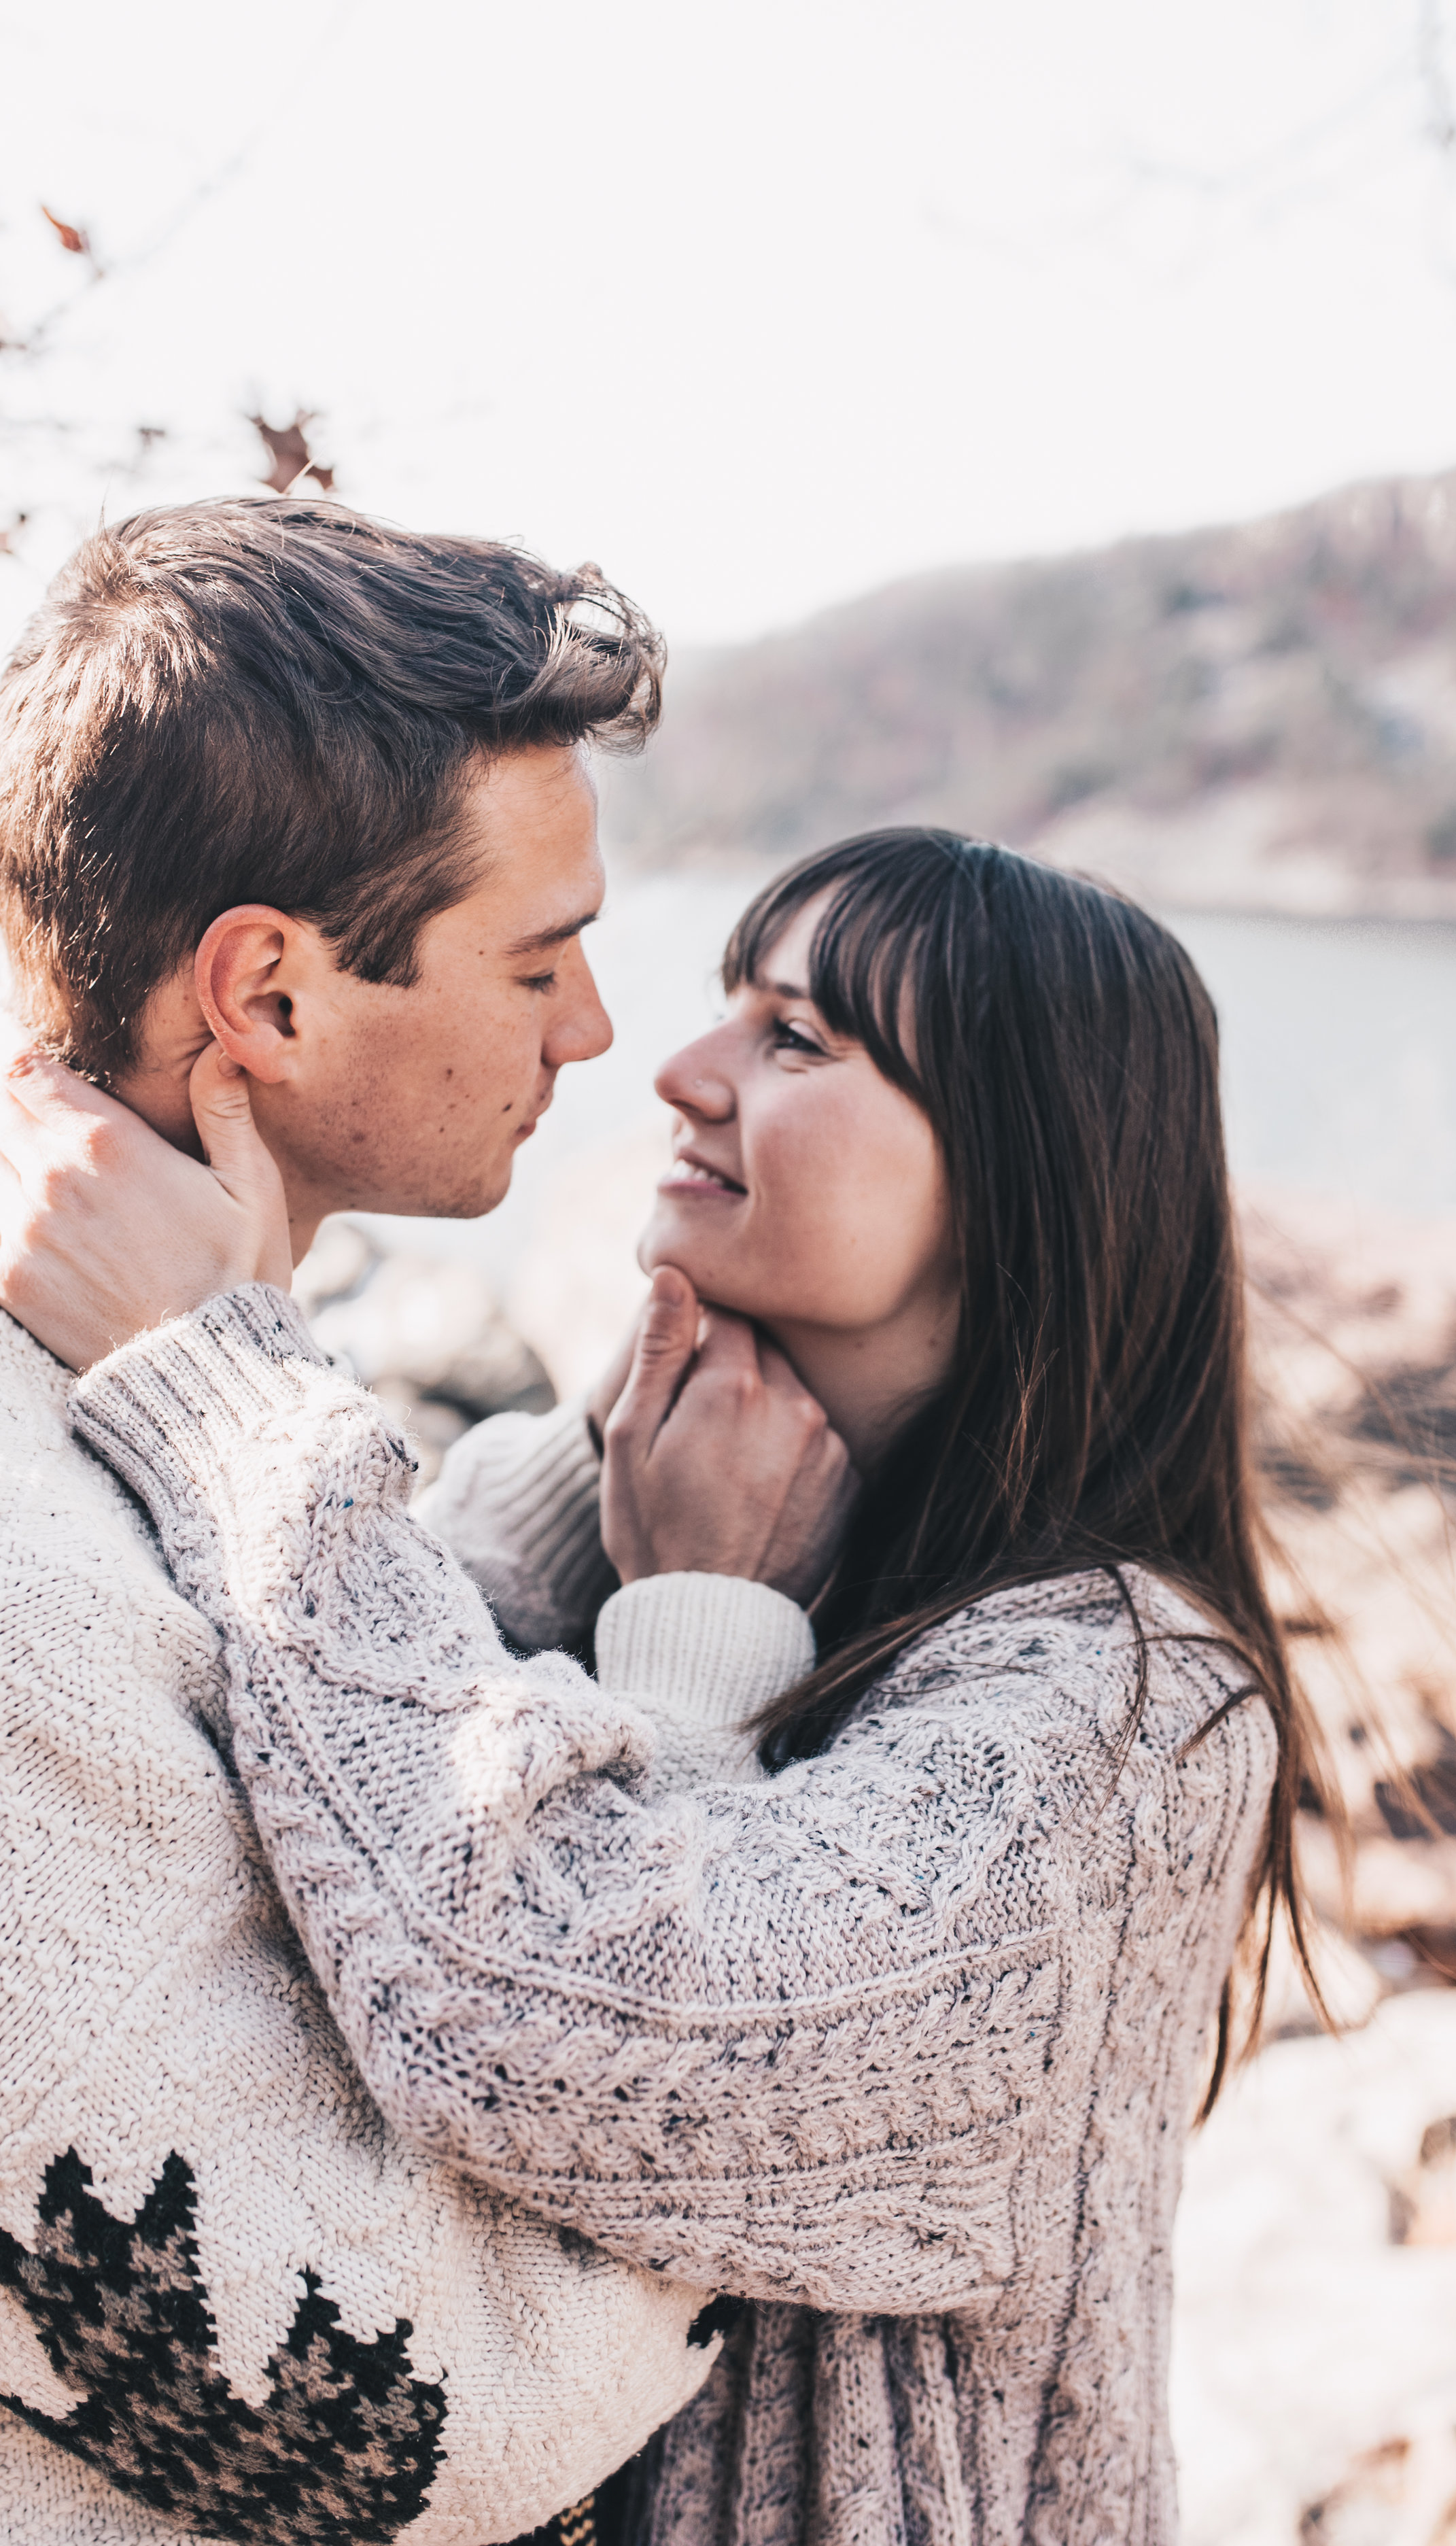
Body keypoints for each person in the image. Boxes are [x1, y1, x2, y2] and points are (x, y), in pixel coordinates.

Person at [0, 825, 1330, 2546]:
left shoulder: (1127, 1706)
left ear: (1015, 1172)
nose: (678, 1071)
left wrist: (216, 1377)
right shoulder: (625, 1508)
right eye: (732, 1014)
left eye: (796, 1041)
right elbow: (312, 1746)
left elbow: (572, 2036)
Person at [0, 496, 851, 2546]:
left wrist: (568, 1488)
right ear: (270, 997)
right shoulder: (22, 1569)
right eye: (539, 957)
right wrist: (696, 1671)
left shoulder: (144, 1398)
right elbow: (411, 2408)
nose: (593, 1035)